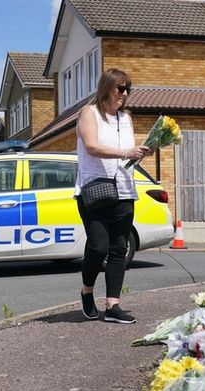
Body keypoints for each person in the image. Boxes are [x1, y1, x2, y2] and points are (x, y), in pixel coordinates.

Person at [75, 68, 153, 324]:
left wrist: (141, 152)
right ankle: (87, 291)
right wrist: (125, 153)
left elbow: (127, 151)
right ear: (107, 88)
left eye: (128, 89)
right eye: (121, 88)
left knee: (120, 247)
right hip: (95, 188)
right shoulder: (89, 113)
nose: (125, 94)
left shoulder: (126, 118)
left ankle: (112, 305)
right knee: (99, 246)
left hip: (124, 188)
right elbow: (92, 146)